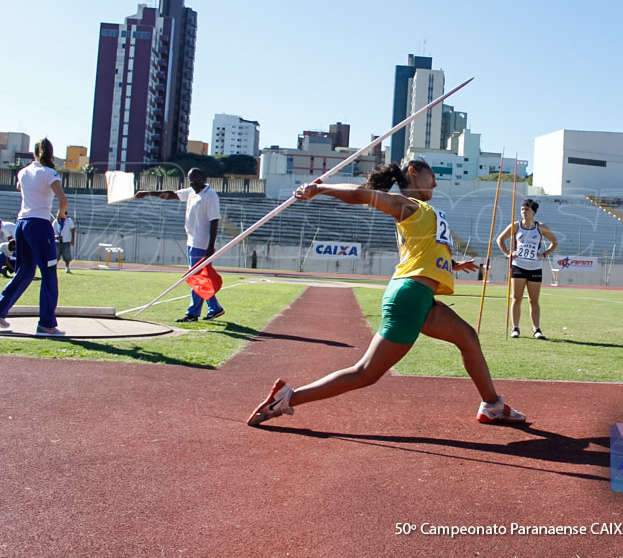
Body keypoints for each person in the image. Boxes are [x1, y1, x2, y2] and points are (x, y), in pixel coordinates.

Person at [247, 159, 527, 427]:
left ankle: (492, 405)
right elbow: (360, 194)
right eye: (434, 178)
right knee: (365, 373)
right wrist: (320, 189)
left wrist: (453, 264)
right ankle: (287, 399)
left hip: (418, 297)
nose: (436, 185)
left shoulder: (419, 211)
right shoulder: (406, 206)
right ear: (414, 171)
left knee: (467, 338)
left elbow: (420, 251)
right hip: (410, 296)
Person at [0, 138, 68, 336]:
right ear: (51, 153)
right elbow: (63, 201)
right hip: (40, 225)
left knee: (25, 272)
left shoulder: (23, 172)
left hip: (22, 223)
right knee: (49, 274)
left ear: (34, 153)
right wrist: (61, 214)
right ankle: (47, 323)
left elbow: (20, 188)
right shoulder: (50, 173)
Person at [134, 168, 226, 323]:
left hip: (201, 243)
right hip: (191, 240)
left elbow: (214, 221)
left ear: (203, 179)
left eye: (196, 180)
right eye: (190, 180)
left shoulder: (210, 196)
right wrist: (148, 193)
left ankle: (192, 313)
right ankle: (215, 308)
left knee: (196, 277)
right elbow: (171, 194)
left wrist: (211, 246)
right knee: (199, 277)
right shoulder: (191, 192)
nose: (193, 183)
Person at [495, 199, 558, 339]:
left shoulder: (540, 227)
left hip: (535, 267)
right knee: (516, 298)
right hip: (518, 266)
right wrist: (508, 254)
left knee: (533, 300)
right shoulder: (516, 226)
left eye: (527, 209)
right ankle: (515, 328)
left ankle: (536, 330)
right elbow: (500, 239)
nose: (524, 212)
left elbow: (554, 242)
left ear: (533, 212)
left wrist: (544, 254)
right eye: (522, 209)